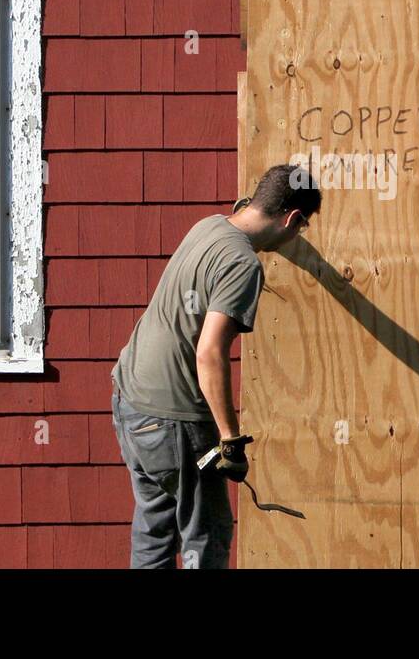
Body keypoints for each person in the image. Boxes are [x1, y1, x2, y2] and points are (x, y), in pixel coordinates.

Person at [110, 163, 321, 568]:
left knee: (155, 530)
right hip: (174, 420)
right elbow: (209, 353)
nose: (299, 236)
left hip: (131, 400)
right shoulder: (242, 265)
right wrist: (229, 440)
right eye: (302, 227)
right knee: (205, 536)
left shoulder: (209, 226)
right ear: (293, 218)